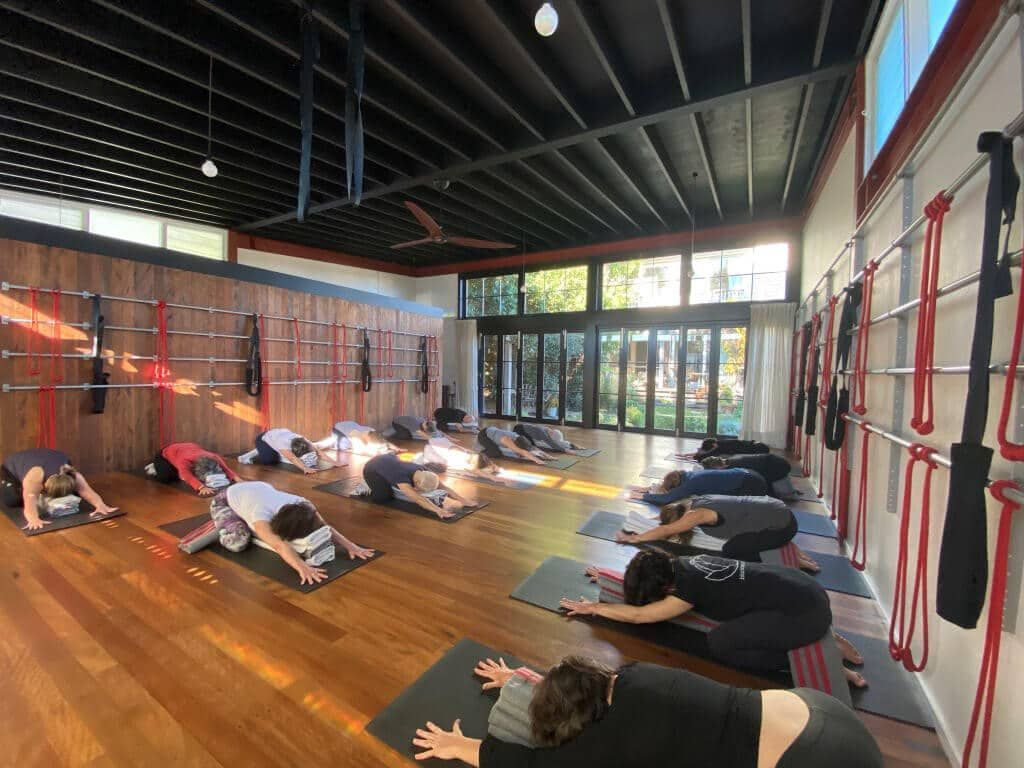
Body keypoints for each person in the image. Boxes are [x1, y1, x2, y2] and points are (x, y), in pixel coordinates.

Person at [412, 655, 882, 767]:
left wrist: (458, 745)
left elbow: (523, 765)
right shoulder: (632, 675)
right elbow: (581, 682)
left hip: (816, 759)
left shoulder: (602, 743)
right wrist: (523, 677)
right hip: (819, 708)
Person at [560, 550, 865, 686]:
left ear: (664, 589)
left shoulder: (686, 589)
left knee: (722, 641)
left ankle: (820, 656)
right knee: (743, 620)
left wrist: (594, 609)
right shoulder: (682, 564)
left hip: (804, 613)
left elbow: (641, 616)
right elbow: (642, 574)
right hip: (807, 589)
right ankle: (828, 636)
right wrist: (608, 576)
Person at [210, 480, 373, 585]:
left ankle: (245, 520)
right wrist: (302, 567)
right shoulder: (261, 514)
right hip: (225, 500)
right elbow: (279, 546)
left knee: (266, 531)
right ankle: (226, 522)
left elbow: (324, 525)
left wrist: (351, 546)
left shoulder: (304, 504)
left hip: (256, 489)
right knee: (238, 542)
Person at [616, 494, 820, 571]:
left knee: (732, 550)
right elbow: (667, 522)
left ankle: (788, 558)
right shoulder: (698, 500)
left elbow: (667, 529)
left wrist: (634, 538)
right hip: (780, 512)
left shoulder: (697, 515)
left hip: (783, 527)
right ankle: (790, 549)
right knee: (745, 538)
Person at [1, 448, 118, 530]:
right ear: (43, 486)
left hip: (49, 458)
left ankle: (57, 493)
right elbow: (29, 506)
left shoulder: (73, 474)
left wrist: (100, 505)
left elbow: (86, 491)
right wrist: (33, 519)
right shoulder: (34, 479)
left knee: (76, 493)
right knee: (12, 500)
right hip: (12, 469)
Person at [361, 452, 477, 519]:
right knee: (383, 498)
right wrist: (437, 510)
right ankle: (364, 485)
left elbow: (444, 487)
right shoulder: (401, 477)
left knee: (399, 486)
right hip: (372, 468)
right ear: (416, 484)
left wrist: (463, 500)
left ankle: (388, 480)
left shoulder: (424, 470)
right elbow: (417, 498)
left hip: (389, 458)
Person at [633, 467, 767, 506]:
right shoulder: (690, 474)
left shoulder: (691, 483)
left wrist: (643, 496)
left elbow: (666, 499)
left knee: (742, 507)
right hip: (750, 473)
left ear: (676, 485)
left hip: (751, 484)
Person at [146, 441, 240, 497]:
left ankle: (172, 467)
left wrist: (237, 479)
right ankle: (154, 466)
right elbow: (185, 475)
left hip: (183, 450)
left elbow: (226, 468)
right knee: (166, 479)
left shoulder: (214, 456)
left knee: (178, 473)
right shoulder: (184, 460)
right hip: (165, 455)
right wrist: (201, 487)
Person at [242, 427, 347, 474]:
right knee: (269, 461)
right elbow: (292, 458)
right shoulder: (282, 443)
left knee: (282, 455)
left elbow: (319, 451)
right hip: (263, 439)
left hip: (277, 436)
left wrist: (335, 462)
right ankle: (255, 452)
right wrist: (305, 468)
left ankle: (273, 451)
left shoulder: (304, 440)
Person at [702, 453, 797, 497]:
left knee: (761, 486)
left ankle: (784, 493)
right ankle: (786, 488)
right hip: (778, 461)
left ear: (716, 467)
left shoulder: (734, 467)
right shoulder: (730, 459)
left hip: (780, 467)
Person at [478, 426, 552, 465]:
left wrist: (549, 456)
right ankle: (479, 453)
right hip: (484, 435)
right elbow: (522, 451)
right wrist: (537, 460)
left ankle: (492, 445)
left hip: (492, 430)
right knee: (496, 453)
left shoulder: (519, 437)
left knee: (516, 451)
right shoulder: (507, 440)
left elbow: (533, 448)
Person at [682, 437, 770, 461]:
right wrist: (687, 454)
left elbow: (706, 455)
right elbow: (706, 452)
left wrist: (690, 457)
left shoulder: (721, 446)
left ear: (713, 445)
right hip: (760, 446)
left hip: (760, 449)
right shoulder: (722, 443)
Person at [513, 424, 583, 454]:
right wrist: (566, 450)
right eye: (552, 437)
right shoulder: (543, 433)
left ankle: (571, 445)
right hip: (519, 429)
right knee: (531, 446)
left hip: (523, 429)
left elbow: (552, 442)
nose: (551, 438)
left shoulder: (546, 429)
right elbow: (552, 444)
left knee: (536, 445)